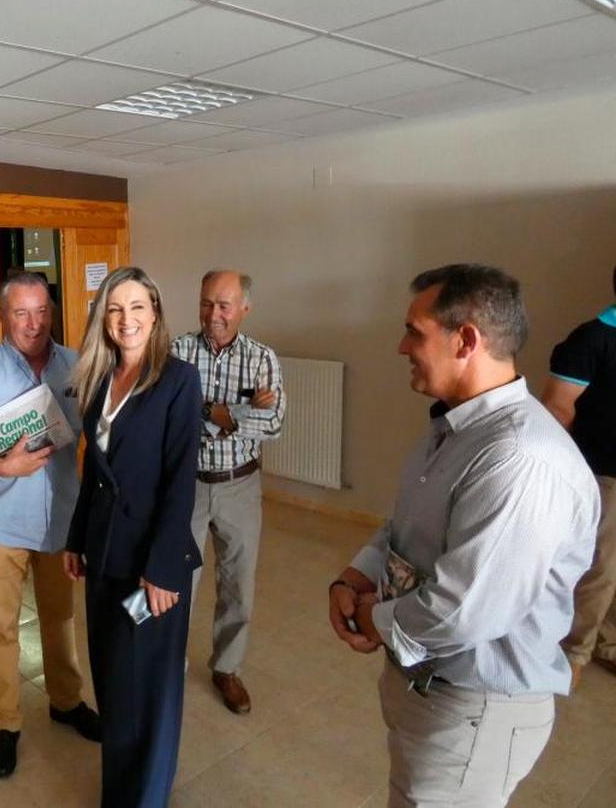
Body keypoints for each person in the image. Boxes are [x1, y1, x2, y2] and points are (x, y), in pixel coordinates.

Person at [328, 264, 599, 807]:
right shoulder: (457, 427)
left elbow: (464, 610)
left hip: (475, 710)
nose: (402, 346)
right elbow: (406, 524)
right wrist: (355, 574)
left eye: (415, 331)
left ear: (466, 340)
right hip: (430, 688)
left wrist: (371, 617)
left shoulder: (518, 458)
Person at [0, 272, 100, 778]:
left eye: (42, 311)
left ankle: (66, 702)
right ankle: (6, 723)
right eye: (21, 313)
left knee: (60, 618)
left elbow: (96, 434)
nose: (34, 324)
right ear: (2, 316)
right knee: (2, 628)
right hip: (3, 522)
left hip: (62, 522)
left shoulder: (75, 366)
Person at [64, 266, 202, 808]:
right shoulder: (98, 376)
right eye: (116, 309)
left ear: (156, 313)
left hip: (153, 564)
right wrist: (77, 538)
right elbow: (94, 471)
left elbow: (179, 480)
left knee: (150, 692)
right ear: (104, 317)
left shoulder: (178, 379)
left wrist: (164, 569)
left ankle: (146, 798)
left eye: (138, 307)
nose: (127, 320)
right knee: (115, 687)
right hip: (103, 555)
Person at [170, 269, 284, 714]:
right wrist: (221, 412)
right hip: (187, 486)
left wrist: (217, 415)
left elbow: (273, 424)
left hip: (241, 485)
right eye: (206, 303)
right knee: (178, 581)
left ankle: (227, 667)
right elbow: (169, 416)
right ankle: (170, 665)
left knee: (239, 583)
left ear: (244, 309)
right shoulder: (177, 352)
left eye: (223, 305)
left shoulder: (263, 360)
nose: (213, 314)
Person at [542, 265, 616, 688]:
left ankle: (605, 642)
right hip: (601, 475)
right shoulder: (590, 340)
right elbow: (556, 407)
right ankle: (573, 653)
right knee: (599, 569)